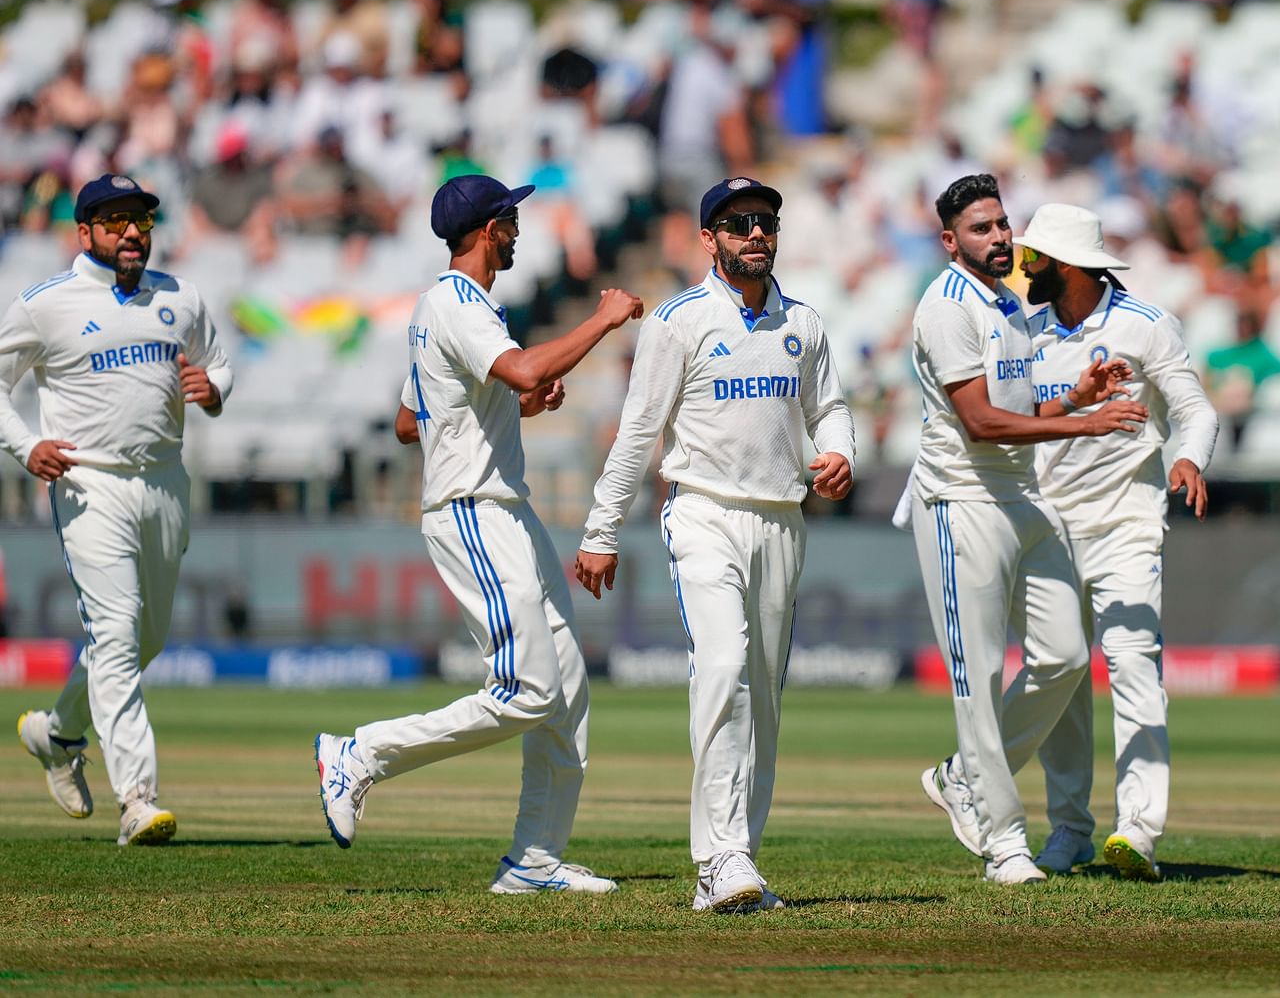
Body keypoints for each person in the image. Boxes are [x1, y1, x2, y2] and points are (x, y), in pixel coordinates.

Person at [313, 175, 644, 894]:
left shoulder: (457, 310)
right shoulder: (457, 303)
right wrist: (605, 320)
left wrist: (511, 404)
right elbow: (519, 367)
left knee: (566, 690)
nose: (519, 229)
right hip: (473, 508)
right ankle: (360, 753)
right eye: (511, 219)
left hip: (502, 509)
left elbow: (413, 421)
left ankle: (534, 861)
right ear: (490, 229)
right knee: (526, 689)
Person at [575, 177, 856, 913]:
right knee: (723, 666)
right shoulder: (679, 320)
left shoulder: (805, 323)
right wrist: (601, 530)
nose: (755, 234)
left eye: (765, 221)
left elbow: (831, 409)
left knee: (761, 692)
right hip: (702, 510)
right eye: (737, 224)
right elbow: (639, 430)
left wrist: (840, 454)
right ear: (709, 238)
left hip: (781, 518)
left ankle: (734, 863)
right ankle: (721, 854)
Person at [908, 173, 1147, 886]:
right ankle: (1005, 840)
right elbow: (980, 423)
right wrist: (1085, 421)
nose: (1000, 237)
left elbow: (1014, 404)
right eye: (981, 229)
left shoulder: (1009, 303)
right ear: (950, 241)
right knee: (977, 678)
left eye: (1003, 223)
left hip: (1022, 495)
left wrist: (1073, 395)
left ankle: (963, 777)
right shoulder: (946, 305)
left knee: (1066, 656)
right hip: (963, 500)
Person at [7, 175, 233, 847]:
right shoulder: (47, 303)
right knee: (115, 634)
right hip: (88, 481)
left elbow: (218, 365)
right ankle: (137, 797)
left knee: (144, 639)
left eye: (140, 218)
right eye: (114, 220)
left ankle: (57, 733)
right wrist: (24, 445)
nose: (132, 231)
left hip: (164, 480)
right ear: (85, 232)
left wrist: (212, 388)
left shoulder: (179, 297)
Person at [1012, 203, 1220, 883]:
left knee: (1133, 664)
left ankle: (1138, 829)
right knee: (1062, 673)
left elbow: (1195, 409)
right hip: (1046, 524)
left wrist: (1189, 457)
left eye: (1035, 259)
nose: (1024, 268)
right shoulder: (1026, 328)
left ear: (1067, 265)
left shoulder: (1146, 323)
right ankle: (1069, 829)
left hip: (1126, 518)